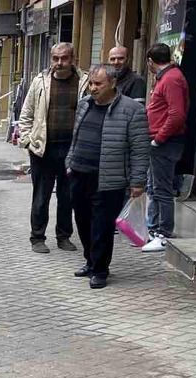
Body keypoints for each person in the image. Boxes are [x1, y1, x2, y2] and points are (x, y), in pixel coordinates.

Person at [65, 65, 150, 289]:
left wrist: (138, 181)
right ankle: (90, 261)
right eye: (91, 83)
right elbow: (75, 136)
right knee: (82, 222)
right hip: (78, 173)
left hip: (108, 179)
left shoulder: (131, 110)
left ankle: (100, 270)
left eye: (98, 84)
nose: (93, 88)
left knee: (101, 227)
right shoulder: (84, 104)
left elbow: (140, 149)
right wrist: (69, 163)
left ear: (112, 83)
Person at [18, 42, 88, 254]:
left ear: (73, 59)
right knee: (41, 195)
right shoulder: (40, 82)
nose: (59, 63)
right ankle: (37, 237)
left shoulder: (84, 82)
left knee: (68, 197)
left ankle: (64, 236)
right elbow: (26, 114)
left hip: (72, 150)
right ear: (51, 59)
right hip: (43, 150)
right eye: (55, 58)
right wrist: (28, 141)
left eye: (64, 58)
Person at [141, 42, 190, 252]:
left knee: (162, 189)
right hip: (161, 141)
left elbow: (176, 114)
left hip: (166, 142)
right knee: (154, 187)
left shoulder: (171, 79)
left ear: (151, 61)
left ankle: (163, 234)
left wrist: (159, 138)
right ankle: (153, 230)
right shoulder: (167, 78)